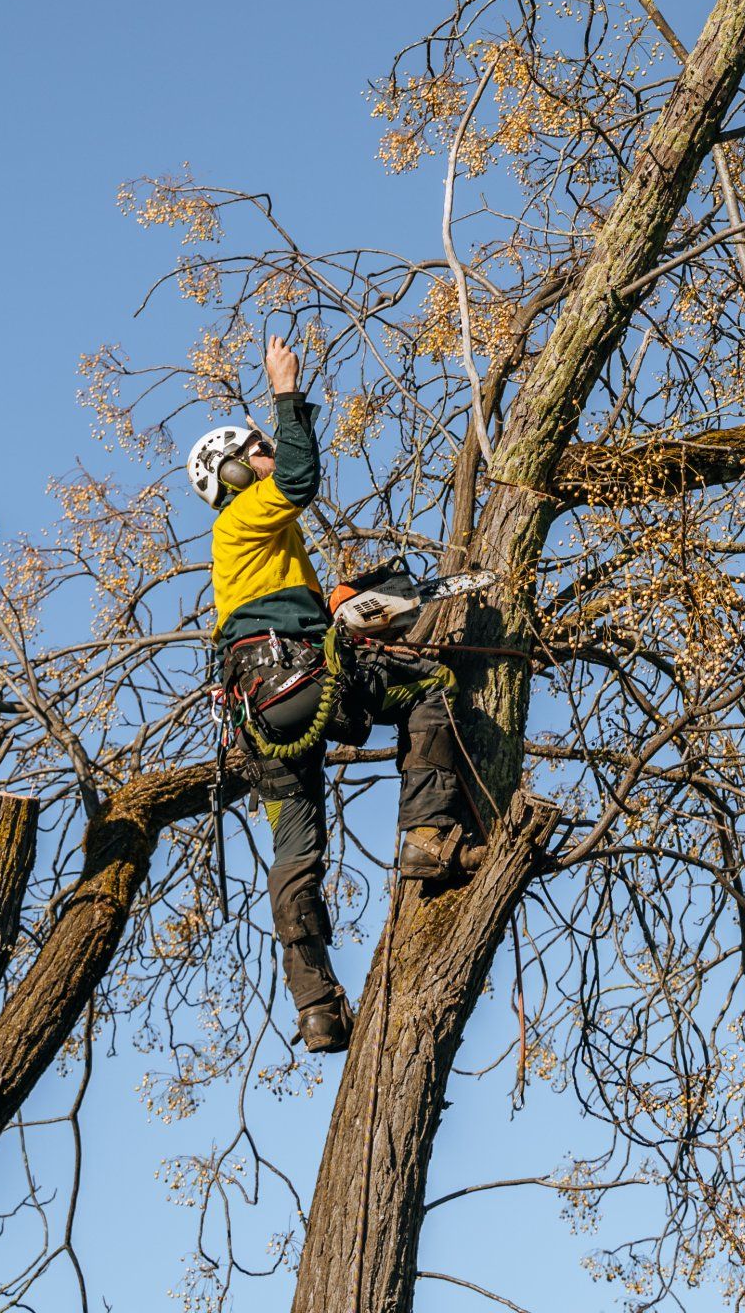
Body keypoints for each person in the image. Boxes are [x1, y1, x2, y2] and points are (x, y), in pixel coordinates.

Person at [188, 334, 479, 1054]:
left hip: (260, 712)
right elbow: (296, 479)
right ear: (232, 469)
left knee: (294, 850)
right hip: (297, 683)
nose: (265, 453)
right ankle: (427, 836)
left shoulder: (247, 553)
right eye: (253, 449)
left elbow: (281, 610)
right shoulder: (247, 512)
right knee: (431, 687)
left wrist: (340, 604)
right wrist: (286, 394)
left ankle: (316, 1006)